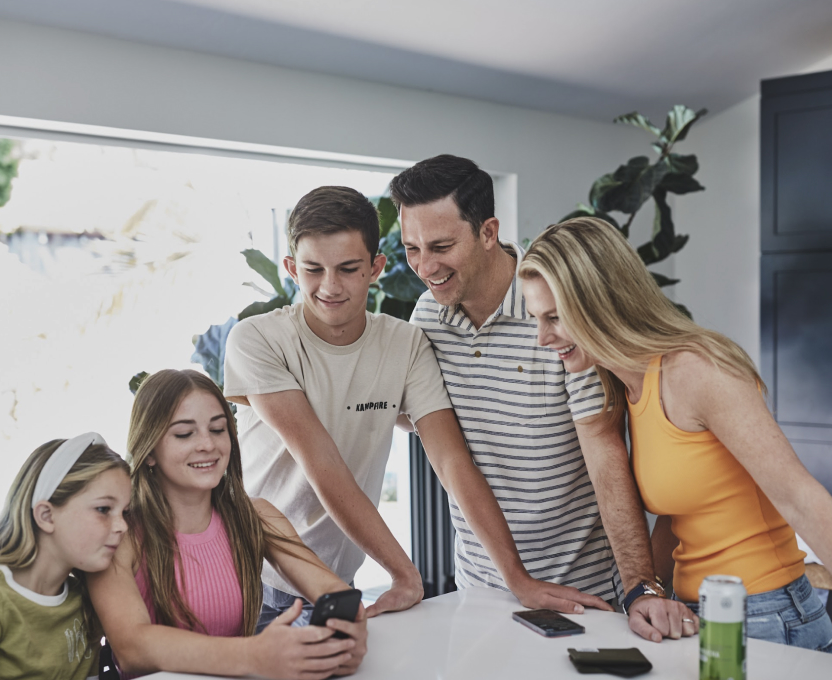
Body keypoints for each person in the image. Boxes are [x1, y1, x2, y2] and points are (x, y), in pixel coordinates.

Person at [223, 185, 600, 630]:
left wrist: (517, 579)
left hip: (337, 579)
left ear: (376, 267)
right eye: (312, 270)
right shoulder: (256, 340)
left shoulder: (407, 343)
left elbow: (451, 459)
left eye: (348, 269)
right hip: (252, 574)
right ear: (290, 268)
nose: (330, 286)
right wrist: (403, 573)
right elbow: (322, 462)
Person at [391, 154, 694, 642]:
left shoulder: (555, 311)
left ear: (488, 232)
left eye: (441, 246)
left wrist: (642, 586)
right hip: (481, 589)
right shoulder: (428, 316)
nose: (425, 267)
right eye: (412, 249)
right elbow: (434, 425)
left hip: (584, 593)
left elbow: (603, 451)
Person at [518, 215, 832, 652]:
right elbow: (678, 512)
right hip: (700, 612)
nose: (542, 338)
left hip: (766, 614)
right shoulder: (628, 385)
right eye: (537, 317)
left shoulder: (696, 370)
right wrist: (649, 596)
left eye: (554, 317)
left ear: (600, 302)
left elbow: (801, 497)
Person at [87, 369, 368, 679]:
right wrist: (254, 655)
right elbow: (132, 650)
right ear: (149, 451)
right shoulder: (118, 535)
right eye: (184, 433)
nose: (208, 444)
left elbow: (331, 591)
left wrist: (349, 636)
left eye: (218, 429)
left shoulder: (258, 517)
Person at [0, 434, 131, 680]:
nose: (122, 526)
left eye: (124, 512)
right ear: (46, 515)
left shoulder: (82, 599)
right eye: (103, 509)